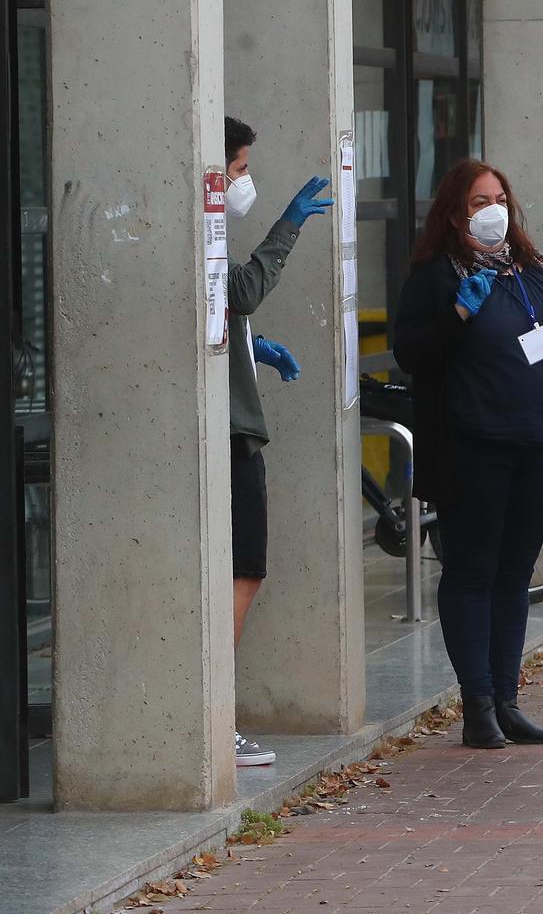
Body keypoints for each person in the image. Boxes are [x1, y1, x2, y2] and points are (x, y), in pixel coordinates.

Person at [393, 158, 543, 750]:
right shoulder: (436, 276)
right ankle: (478, 705)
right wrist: (460, 311)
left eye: (500, 200)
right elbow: (413, 353)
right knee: (473, 571)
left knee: (515, 575)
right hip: (473, 448)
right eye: (478, 203)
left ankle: (508, 700)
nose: (493, 212)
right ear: (454, 215)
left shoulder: (533, 268)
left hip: (540, 444)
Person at [222, 116, 333, 768]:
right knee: (241, 572)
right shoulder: (200, 227)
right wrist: (289, 224)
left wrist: (248, 347)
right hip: (229, 435)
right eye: (238, 169)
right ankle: (214, 716)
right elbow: (243, 289)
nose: (245, 182)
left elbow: (223, 313)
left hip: (235, 424)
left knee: (243, 573)